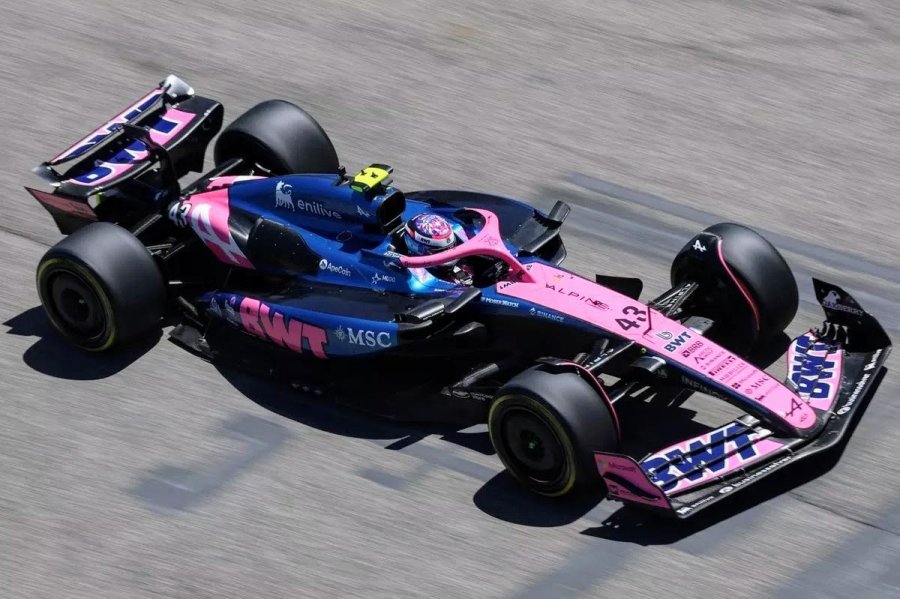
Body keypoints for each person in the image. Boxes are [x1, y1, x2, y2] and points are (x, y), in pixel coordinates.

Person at [403, 213, 474, 284]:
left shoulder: (460, 270)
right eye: (441, 251)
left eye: (451, 247)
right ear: (415, 246)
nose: (448, 254)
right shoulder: (416, 276)